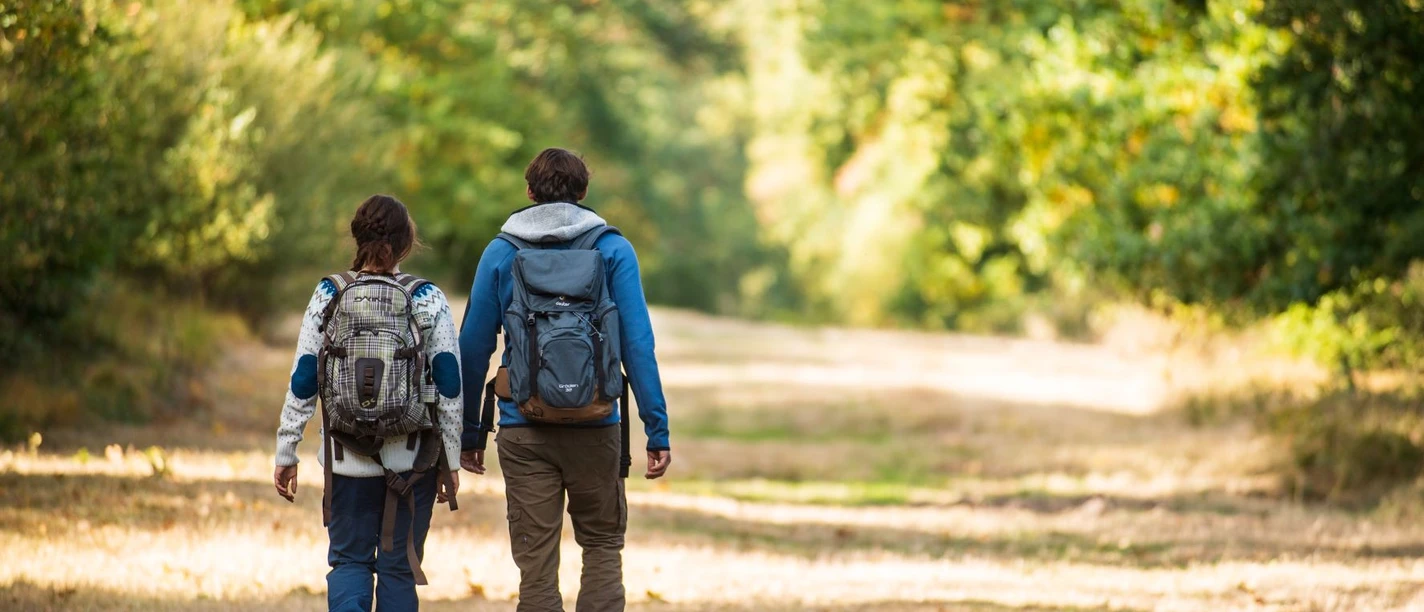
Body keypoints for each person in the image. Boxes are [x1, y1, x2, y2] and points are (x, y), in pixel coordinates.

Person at [459, 147, 671, 611]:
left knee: (535, 568)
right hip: (597, 427)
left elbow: (474, 349)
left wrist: (468, 433)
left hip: (523, 425)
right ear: (583, 193)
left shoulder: (501, 252)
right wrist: (657, 428)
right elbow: (638, 344)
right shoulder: (613, 249)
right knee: (601, 549)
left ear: (530, 192)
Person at [273, 194, 465, 612]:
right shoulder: (427, 297)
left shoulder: (329, 292)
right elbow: (449, 386)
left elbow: (305, 377)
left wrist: (287, 449)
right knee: (398, 569)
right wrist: (450, 460)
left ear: (358, 237)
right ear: (406, 242)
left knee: (349, 562)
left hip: (346, 459)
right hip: (413, 463)